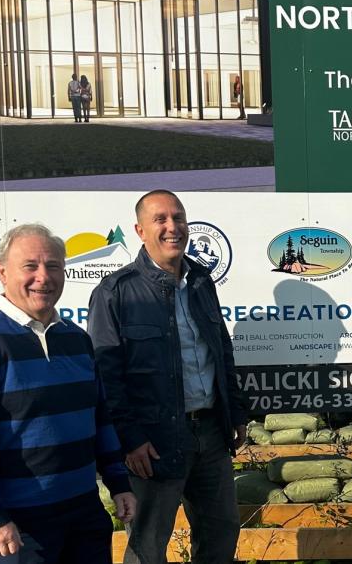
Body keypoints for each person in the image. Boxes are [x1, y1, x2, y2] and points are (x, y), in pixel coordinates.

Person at [0, 224, 136, 563]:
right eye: (30, 266)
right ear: (2, 272)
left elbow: (99, 417)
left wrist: (118, 481)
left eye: (54, 266)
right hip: (17, 527)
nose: (43, 277)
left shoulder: (76, 340)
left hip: (84, 514)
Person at [89, 190, 247, 564]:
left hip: (210, 434)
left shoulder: (201, 282)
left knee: (221, 535)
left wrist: (235, 413)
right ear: (139, 230)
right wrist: (130, 440)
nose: (172, 227)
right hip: (153, 442)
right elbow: (105, 377)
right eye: (160, 219)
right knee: (148, 547)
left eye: (178, 218)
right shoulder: (115, 292)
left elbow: (221, 352)